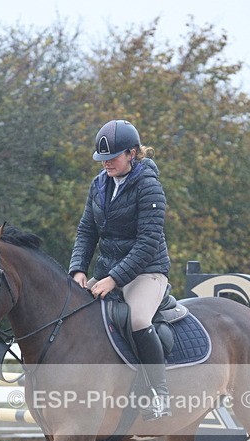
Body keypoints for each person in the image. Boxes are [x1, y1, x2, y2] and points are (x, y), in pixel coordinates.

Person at [69, 119, 172, 419]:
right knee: (74, 313)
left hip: (147, 271)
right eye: (102, 159)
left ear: (132, 153)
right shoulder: (98, 184)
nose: (106, 164)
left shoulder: (149, 187)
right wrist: (78, 269)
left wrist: (113, 279)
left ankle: (159, 394)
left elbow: (148, 242)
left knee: (138, 319)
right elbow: (86, 231)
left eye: (113, 157)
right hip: (108, 271)